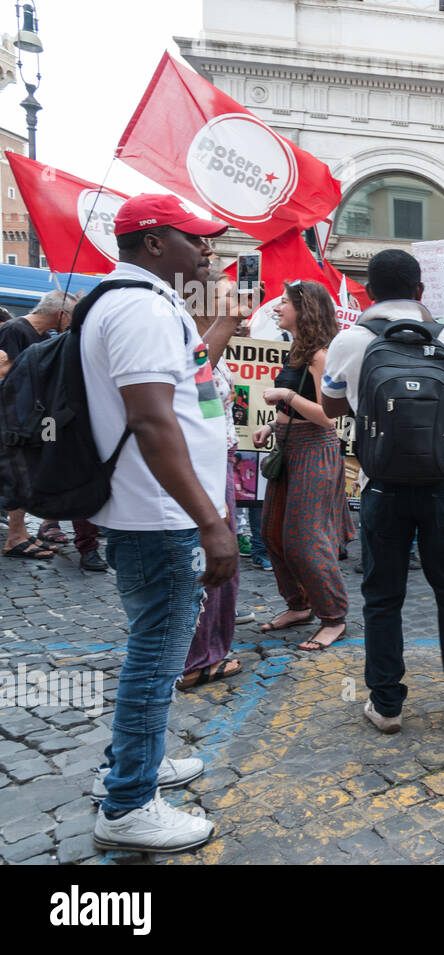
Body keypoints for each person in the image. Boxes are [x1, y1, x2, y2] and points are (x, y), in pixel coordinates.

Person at [83, 194, 235, 852]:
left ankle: (130, 764)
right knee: (155, 659)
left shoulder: (145, 303)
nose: (205, 252)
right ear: (152, 245)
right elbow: (150, 419)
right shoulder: (142, 307)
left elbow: (190, 393)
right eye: (193, 239)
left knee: (153, 652)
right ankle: (128, 805)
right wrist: (210, 519)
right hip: (162, 516)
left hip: (159, 513)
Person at [321, 250, 444, 732]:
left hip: (382, 485)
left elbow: (331, 407)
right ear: (421, 293)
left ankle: (388, 704)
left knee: (382, 596)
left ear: (368, 293)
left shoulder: (351, 340)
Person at [253, 280, 348, 651]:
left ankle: (334, 616)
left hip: (315, 451)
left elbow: (328, 417)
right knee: (272, 533)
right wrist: (271, 425)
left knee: (304, 541)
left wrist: (286, 395)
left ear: (304, 309)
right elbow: (296, 409)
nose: (277, 308)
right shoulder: (297, 350)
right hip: (290, 447)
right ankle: (299, 605)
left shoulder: (320, 356)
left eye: (283, 302)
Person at [177, 275, 256, 689]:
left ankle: (200, 650)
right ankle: (201, 658)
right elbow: (199, 390)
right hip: (206, 466)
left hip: (215, 460)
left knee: (212, 563)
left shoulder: (207, 347)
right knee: (213, 562)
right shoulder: (197, 349)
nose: (241, 303)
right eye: (229, 297)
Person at [0, 291, 101, 565]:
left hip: (37, 419)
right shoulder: (14, 329)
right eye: (71, 315)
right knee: (19, 473)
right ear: (61, 314)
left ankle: (24, 531)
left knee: (35, 468)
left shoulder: (43, 336)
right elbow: (7, 371)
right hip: (16, 420)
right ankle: (16, 537)